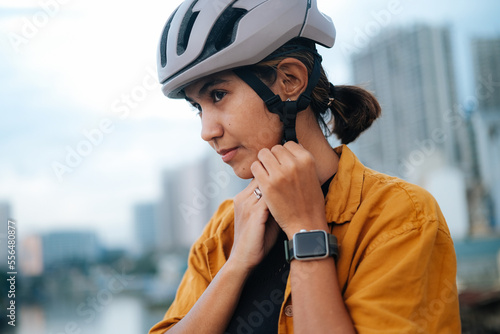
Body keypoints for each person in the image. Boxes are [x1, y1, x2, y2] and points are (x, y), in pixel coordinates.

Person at [149, 0, 461, 333]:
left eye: (218, 94)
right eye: (198, 107)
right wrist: (237, 264)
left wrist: (305, 231)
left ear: (291, 80)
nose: (206, 131)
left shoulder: (399, 217)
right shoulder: (223, 231)